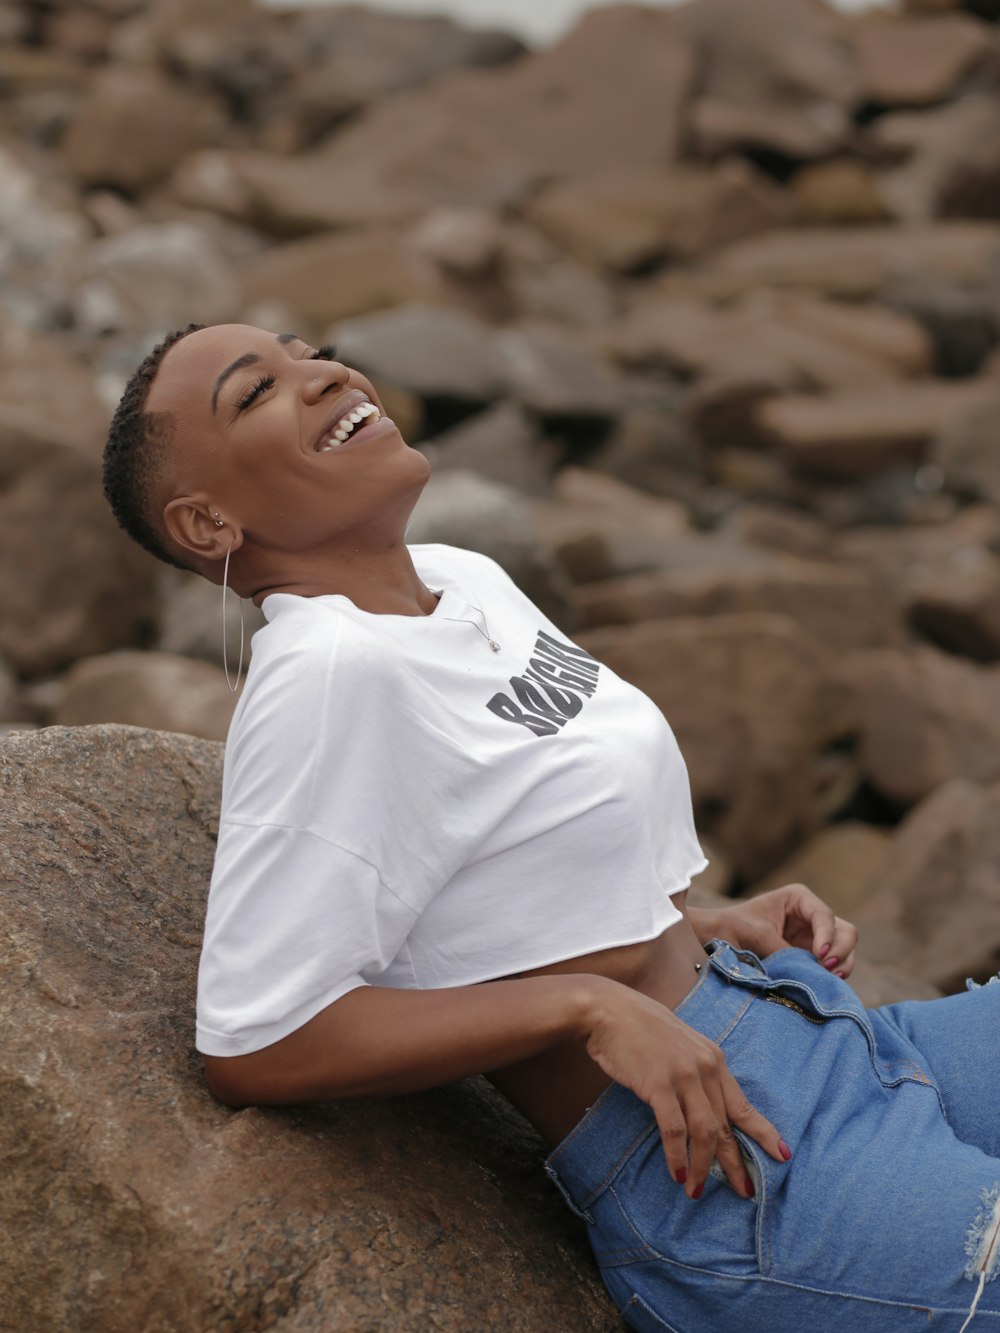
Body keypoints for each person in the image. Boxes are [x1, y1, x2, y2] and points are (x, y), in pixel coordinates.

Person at [103, 322, 1000, 1332]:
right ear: (207, 522)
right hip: (740, 1168)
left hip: (821, 1034)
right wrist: (585, 1008)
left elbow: (494, 876)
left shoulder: (465, 579)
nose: (322, 374)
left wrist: (707, 922)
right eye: (255, 389)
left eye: (308, 349)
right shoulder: (326, 676)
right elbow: (257, 1035)